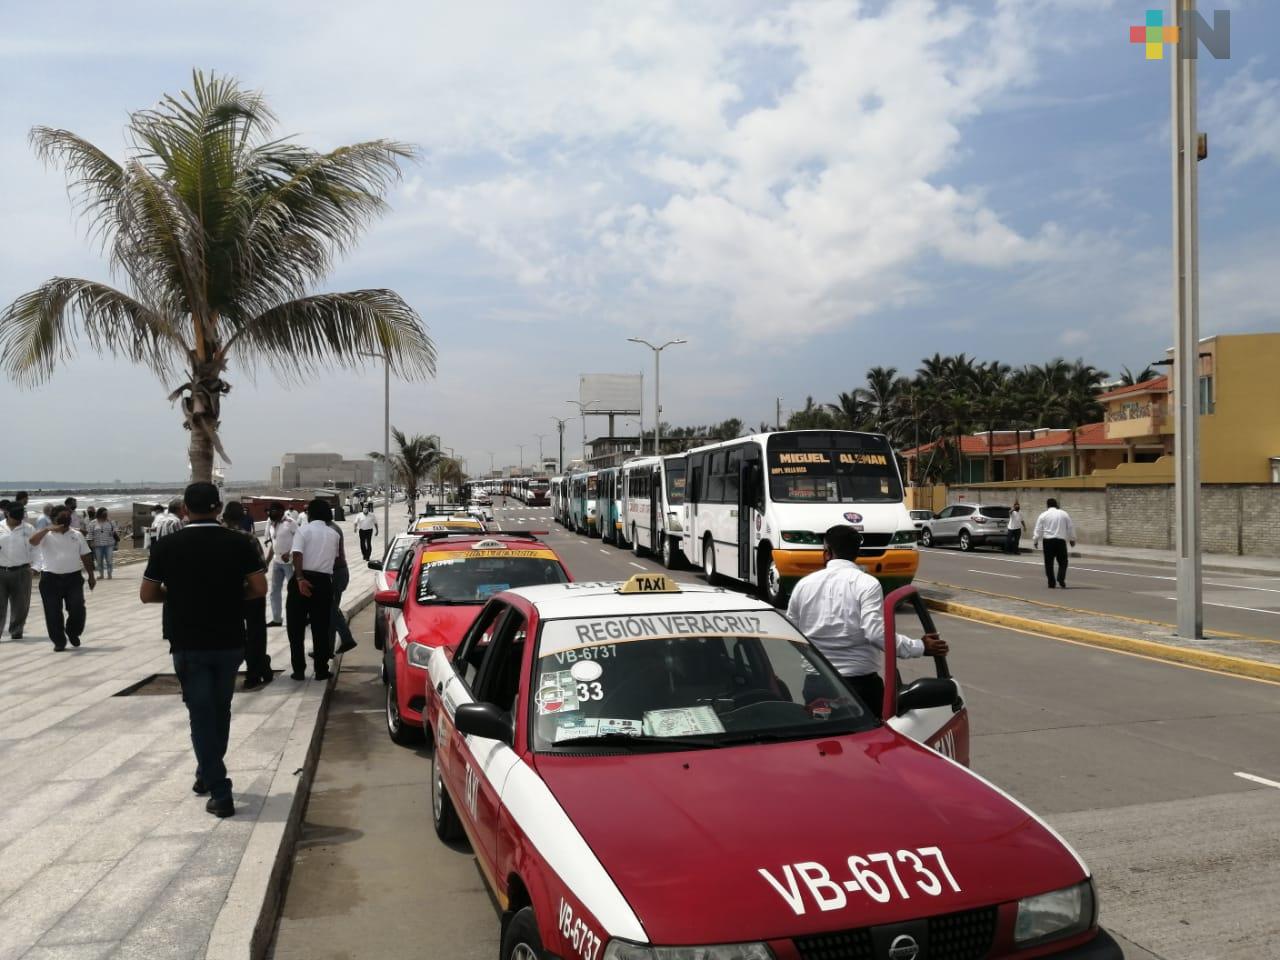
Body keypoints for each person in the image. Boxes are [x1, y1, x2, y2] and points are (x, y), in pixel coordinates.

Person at [141, 483, 267, 818]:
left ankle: (220, 791)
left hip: (188, 641)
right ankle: (206, 772)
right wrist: (229, 596)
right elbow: (259, 588)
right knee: (220, 709)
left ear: (185, 509)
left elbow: (147, 594)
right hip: (229, 639)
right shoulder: (240, 542)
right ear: (218, 508)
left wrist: (178, 597)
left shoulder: (167, 545)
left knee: (200, 714)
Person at [786, 525, 948, 719]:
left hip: (817, 684)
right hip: (860, 686)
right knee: (870, 738)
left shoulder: (803, 585)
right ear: (857, 553)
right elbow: (875, 633)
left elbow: (791, 633)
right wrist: (919, 647)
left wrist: (817, 656)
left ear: (827, 552)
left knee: (821, 736)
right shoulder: (866, 584)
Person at [286, 499, 341, 681]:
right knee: (321, 627)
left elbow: (297, 554)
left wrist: (300, 578)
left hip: (302, 579)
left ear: (310, 514)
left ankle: (299, 670)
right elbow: (336, 559)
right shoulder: (334, 534)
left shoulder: (303, 530)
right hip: (324, 582)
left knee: (295, 628)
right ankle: (321, 669)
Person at [221, 501, 273, 689]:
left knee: (231, 633)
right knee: (256, 633)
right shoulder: (249, 538)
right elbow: (262, 567)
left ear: (223, 517)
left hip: (225, 596)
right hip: (252, 593)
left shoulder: (216, 539)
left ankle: (229, 672)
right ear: (241, 518)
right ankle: (255, 672)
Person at [29, 506, 95, 650]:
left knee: (78, 608)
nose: (66, 520)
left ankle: (73, 632)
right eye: (62, 517)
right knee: (52, 612)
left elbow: (85, 555)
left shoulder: (76, 534)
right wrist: (47, 529)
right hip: (50, 579)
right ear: (54, 519)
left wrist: (91, 575)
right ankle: (59, 641)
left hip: (73, 578)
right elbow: (32, 541)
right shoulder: (45, 534)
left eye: (68, 517)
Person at [1, 503, 36, 640]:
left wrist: (36, 567)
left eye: (20, 517)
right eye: (15, 517)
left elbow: (36, 549)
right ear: (7, 513)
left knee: (21, 604)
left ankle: (16, 629)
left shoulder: (29, 529)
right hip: (1, 570)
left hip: (22, 570)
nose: (17, 520)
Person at [326, 516, 358, 656]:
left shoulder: (331, 530)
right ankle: (330, 648)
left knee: (331, 611)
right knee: (331, 611)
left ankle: (344, 640)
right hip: (336, 572)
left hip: (336, 573)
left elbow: (331, 555)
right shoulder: (331, 528)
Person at [263, 503, 297, 628]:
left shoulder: (291, 522)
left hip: (290, 563)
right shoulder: (272, 524)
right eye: (270, 511)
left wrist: (290, 553)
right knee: (274, 591)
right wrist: (267, 561)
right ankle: (277, 619)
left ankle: (301, 617)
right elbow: (274, 544)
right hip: (277, 562)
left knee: (294, 591)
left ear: (281, 511)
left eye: (273, 511)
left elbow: (300, 539)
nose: (270, 513)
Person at [1032, 498, 1076, 589]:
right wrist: (1072, 539)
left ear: (1047, 505)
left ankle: (1051, 583)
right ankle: (1061, 578)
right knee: (1063, 562)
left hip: (1048, 542)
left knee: (1049, 563)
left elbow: (1038, 529)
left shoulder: (1043, 515)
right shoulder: (1064, 514)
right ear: (1056, 504)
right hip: (1060, 541)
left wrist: (1035, 541)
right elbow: (1070, 527)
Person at [88, 507, 119, 580]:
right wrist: (91, 542)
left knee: (109, 560)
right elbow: (90, 533)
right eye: (104, 514)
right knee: (99, 561)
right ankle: (101, 575)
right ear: (99, 514)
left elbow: (115, 530)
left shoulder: (111, 522)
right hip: (97, 545)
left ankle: (109, 574)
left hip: (109, 544)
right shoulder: (93, 523)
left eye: (106, 514)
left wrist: (113, 531)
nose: (105, 515)